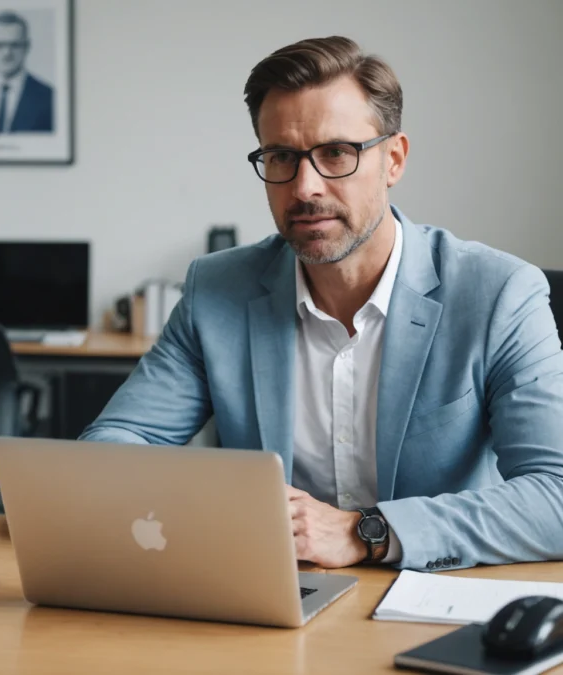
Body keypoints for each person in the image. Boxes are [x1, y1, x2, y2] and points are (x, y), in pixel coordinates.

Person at [80, 35, 563, 573]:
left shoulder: (500, 294)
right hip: (273, 596)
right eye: (281, 157)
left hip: (432, 596)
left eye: (337, 152)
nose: (305, 187)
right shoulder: (217, 291)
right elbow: (117, 441)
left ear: (393, 159)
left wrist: (365, 533)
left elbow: (557, 496)